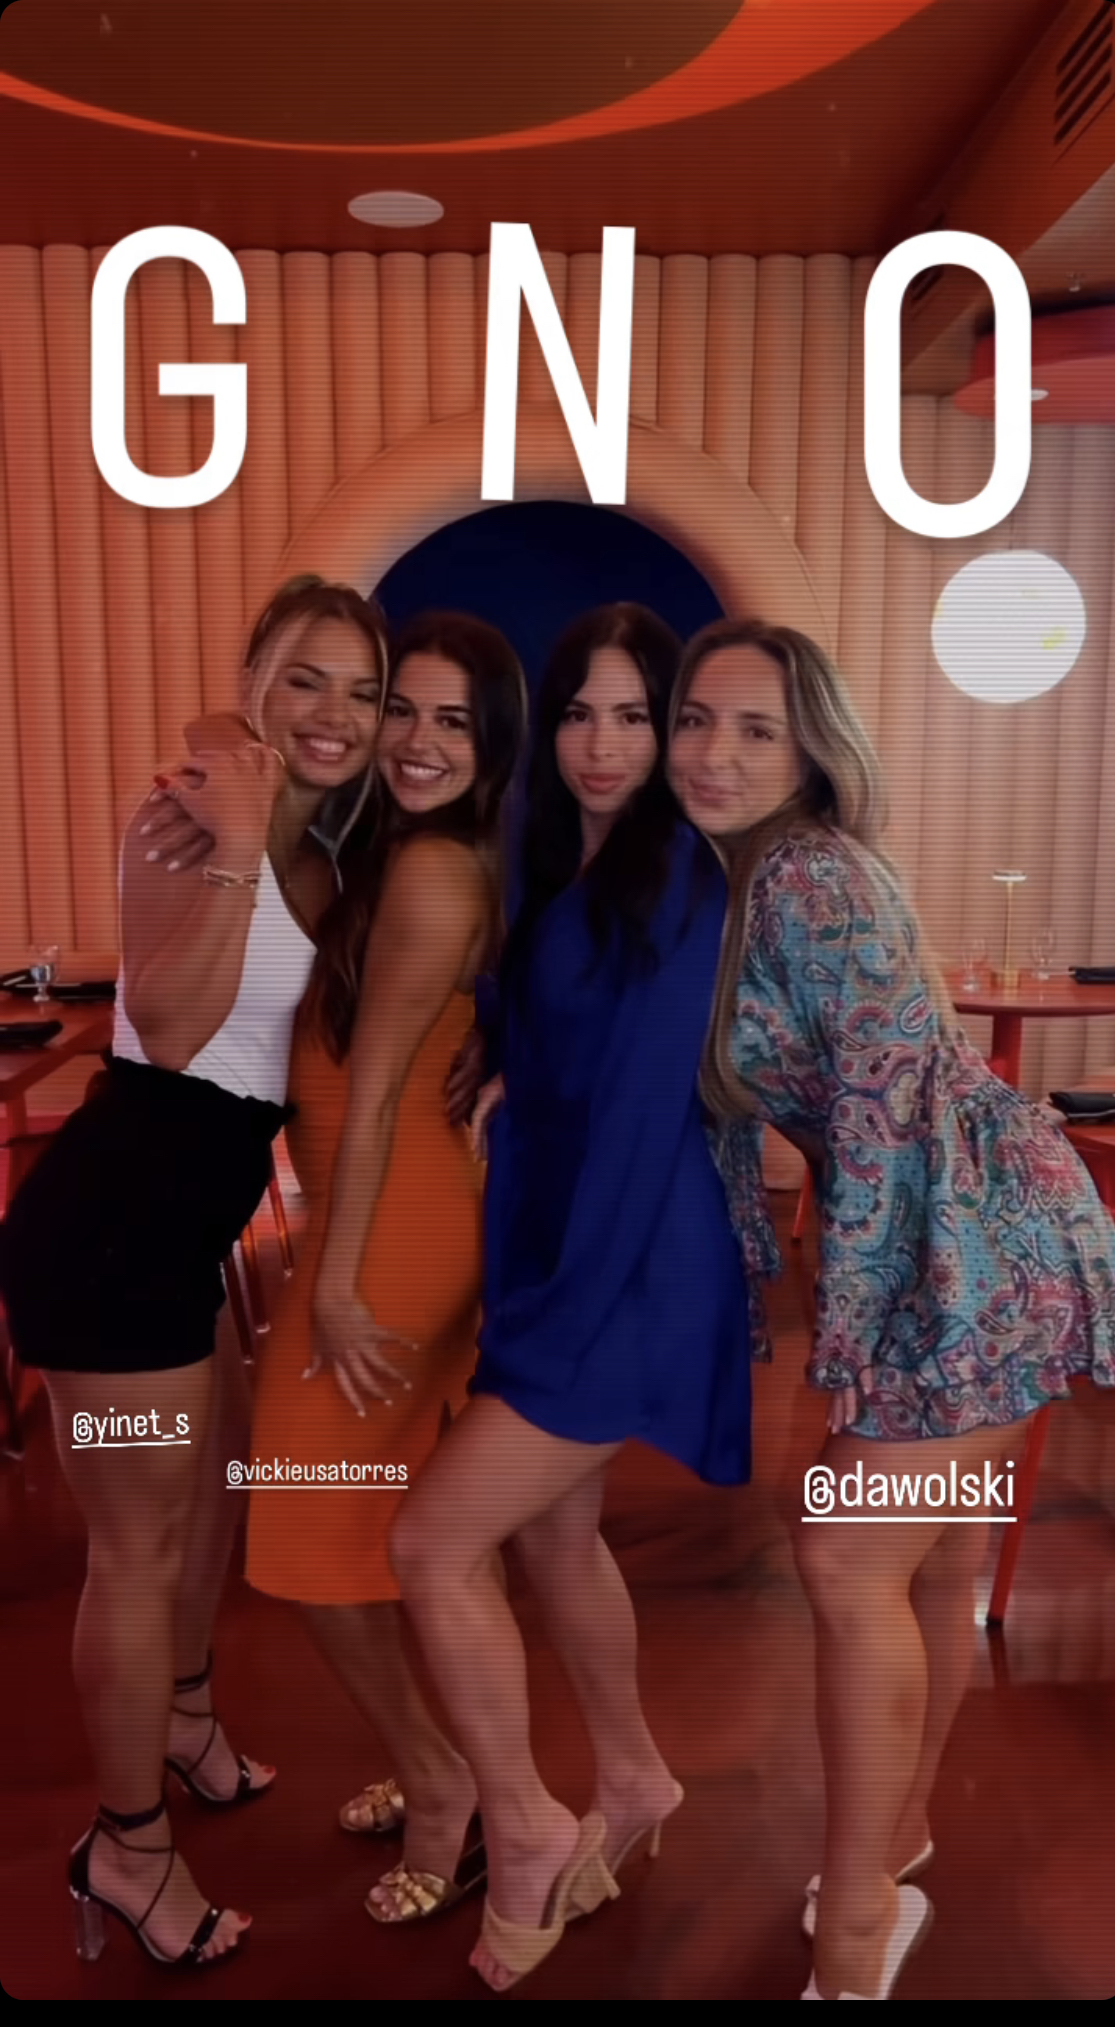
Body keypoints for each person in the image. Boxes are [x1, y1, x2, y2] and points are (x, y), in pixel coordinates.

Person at [666, 616, 1115, 2002]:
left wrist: (847, 1335)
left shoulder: (811, 877)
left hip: (971, 1239)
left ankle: (859, 1921)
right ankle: (899, 1837)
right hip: (966, 1224)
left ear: (812, 750)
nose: (714, 754)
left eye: (756, 729)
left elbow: (880, 1113)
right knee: (922, 1563)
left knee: (845, 1562)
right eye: (695, 720)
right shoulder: (733, 875)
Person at [0, 577, 389, 1968]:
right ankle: (126, 1850)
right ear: (255, 685)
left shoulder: (325, 851)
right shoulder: (185, 817)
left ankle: (184, 1721)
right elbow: (167, 1024)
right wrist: (235, 839)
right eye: (305, 680)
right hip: (111, 1248)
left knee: (210, 1502)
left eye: (362, 690)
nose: (334, 714)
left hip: (185, 1242)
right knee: (136, 1549)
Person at [389, 603, 752, 1992]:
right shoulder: (557, 857)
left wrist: (555, 1313)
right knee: (552, 1537)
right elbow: (559, 1032)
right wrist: (502, 1063)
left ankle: (528, 1820)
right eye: (582, 714)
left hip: (627, 1266)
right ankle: (635, 1774)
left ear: (668, 732)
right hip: (564, 1248)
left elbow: (644, 1117)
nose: (604, 745)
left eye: (636, 716)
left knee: (434, 1544)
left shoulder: (679, 876)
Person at [240, 612, 528, 1925]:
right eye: (398, 708)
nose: (415, 740)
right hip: (391, 1219)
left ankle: (448, 1782)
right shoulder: (398, 854)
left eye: (452, 721)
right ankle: (446, 1767)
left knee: (304, 1509)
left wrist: (337, 1279)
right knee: (356, 1517)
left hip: (394, 1236)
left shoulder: (432, 872)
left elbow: (369, 1102)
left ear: (493, 744)